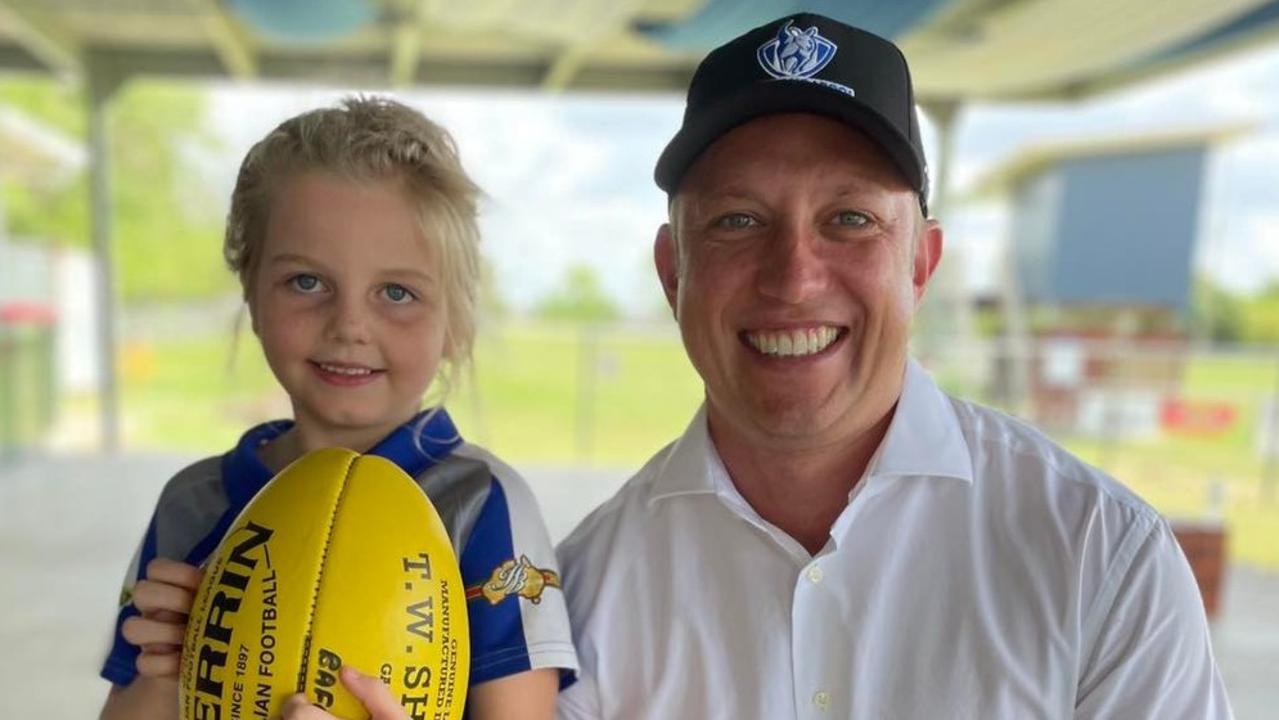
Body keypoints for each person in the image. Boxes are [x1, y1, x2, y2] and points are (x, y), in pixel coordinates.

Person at [554, 13, 1233, 719]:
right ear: (673, 272)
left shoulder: (1099, 555)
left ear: (919, 263)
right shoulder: (583, 594)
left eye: (849, 219)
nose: (793, 277)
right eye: (737, 220)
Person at [98, 96, 577, 720]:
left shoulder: (480, 506)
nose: (350, 324)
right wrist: (164, 669)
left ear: (455, 323)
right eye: (306, 281)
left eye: (397, 292)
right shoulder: (193, 503)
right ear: (251, 292)